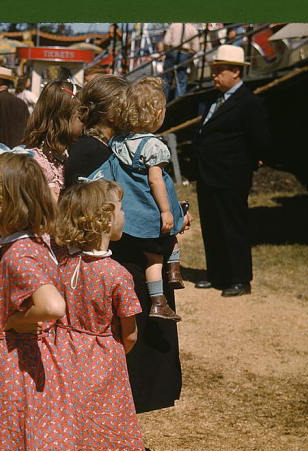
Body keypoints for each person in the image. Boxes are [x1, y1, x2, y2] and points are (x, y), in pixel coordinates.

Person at [64, 74, 182, 418]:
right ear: (115, 111)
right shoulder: (95, 152)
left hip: (139, 253)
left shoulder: (119, 148)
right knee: (128, 347)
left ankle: (123, 425)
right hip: (126, 259)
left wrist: (174, 212)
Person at [0, 150, 75, 451]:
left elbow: (52, 305)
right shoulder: (33, 244)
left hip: (15, 373)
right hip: (32, 366)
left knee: (8, 447)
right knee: (28, 445)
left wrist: (14, 320)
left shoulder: (19, 255)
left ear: (1, 200)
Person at [54, 179, 146, 451]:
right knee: (97, 437)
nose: (124, 214)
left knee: (66, 428)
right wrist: (116, 353)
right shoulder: (117, 275)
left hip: (62, 354)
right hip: (102, 361)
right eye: (120, 208)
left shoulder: (63, 265)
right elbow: (130, 332)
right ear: (105, 219)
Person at [107, 77, 190, 320]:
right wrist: (165, 210)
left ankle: (168, 282)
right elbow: (155, 180)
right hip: (152, 210)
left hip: (132, 213)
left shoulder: (118, 142)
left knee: (153, 253)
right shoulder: (154, 145)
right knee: (161, 248)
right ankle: (160, 297)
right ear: (158, 114)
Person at [193, 44, 270, 297]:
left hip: (231, 176)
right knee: (212, 225)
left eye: (219, 71)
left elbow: (260, 140)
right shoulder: (217, 100)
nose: (214, 75)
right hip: (209, 174)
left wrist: (250, 163)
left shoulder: (249, 102)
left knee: (233, 226)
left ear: (236, 72)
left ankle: (240, 278)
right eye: (213, 70)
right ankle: (217, 273)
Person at [23, 79, 82, 201]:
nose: (86, 121)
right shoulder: (35, 162)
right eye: (81, 115)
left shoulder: (69, 153)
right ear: (64, 117)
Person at [161, 23, 200, 100]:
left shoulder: (173, 25)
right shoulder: (192, 29)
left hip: (172, 52)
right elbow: (196, 48)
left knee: (166, 80)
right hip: (185, 54)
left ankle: (163, 102)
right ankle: (178, 103)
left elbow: (166, 41)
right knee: (181, 81)